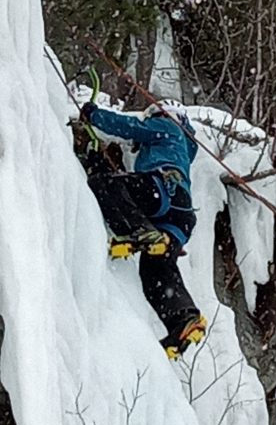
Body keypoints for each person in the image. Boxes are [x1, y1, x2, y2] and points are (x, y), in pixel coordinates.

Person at [78, 99, 206, 359]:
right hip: (179, 217)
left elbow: (128, 126)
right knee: (155, 271)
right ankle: (183, 319)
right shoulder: (182, 148)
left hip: (164, 192)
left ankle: (140, 231)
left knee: (105, 184)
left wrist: (93, 114)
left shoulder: (168, 127)